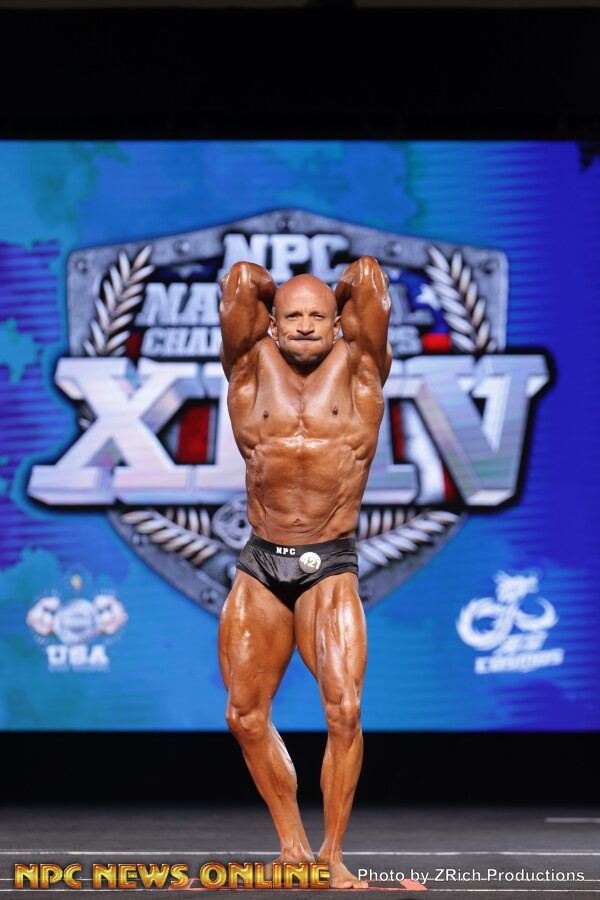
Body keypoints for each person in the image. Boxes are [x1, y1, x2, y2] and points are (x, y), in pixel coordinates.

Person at [217, 256, 391, 889]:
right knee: (244, 715)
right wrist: (275, 295)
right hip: (262, 562)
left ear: (338, 323)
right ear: (273, 322)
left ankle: (332, 855)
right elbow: (241, 280)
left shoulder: (362, 369)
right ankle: (292, 848)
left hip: (329, 566)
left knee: (344, 710)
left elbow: (367, 275)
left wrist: (334, 296)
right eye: (293, 315)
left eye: (319, 315)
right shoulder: (247, 367)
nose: (307, 325)